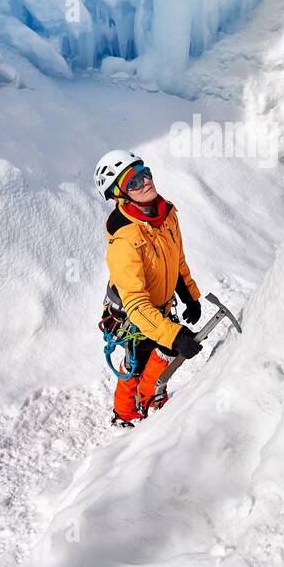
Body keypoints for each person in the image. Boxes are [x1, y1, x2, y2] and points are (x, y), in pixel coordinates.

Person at [93, 149, 203, 428]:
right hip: (136, 316)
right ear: (120, 194)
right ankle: (125, 414)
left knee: (164, 353)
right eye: (134, 182)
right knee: (136, 364)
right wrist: (174, 334)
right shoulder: (124, 240)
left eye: (146, 174)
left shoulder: (166, 214)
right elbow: (136, 304)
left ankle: (152, 397)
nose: (146, 183)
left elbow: (176, 259)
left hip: (161, 307)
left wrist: (190, 296)